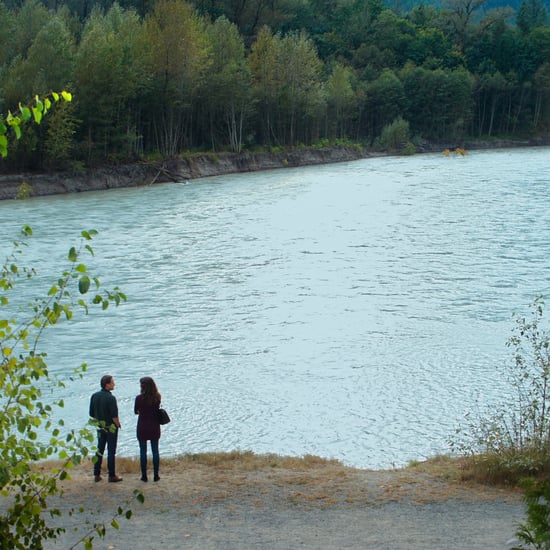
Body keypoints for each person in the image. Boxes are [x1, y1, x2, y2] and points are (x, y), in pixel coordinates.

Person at [89, 374, 123, 482]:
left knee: (99, 450)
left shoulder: (94, 396)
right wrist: (118, 424)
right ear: (107, 385)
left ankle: (96, 474)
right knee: (111, 451)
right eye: (112, 382)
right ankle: (112, 475)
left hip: (100, 427)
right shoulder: (111, 398)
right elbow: (114, 416)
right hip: (111, 427)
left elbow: (91, 413)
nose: (114, 384)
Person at [134, 376, 162, 482]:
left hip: (142, 426)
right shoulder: (157, 397)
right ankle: (156, 475)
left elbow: (136, 411)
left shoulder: (139, 398)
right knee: (155, 451)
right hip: (154, 426)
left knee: (143, 451)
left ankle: (144, 476)